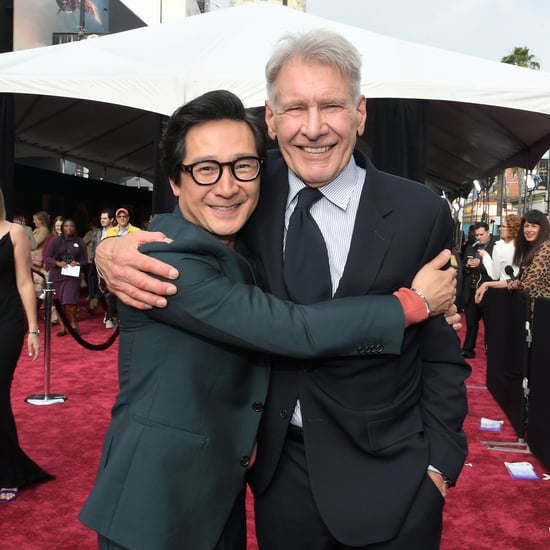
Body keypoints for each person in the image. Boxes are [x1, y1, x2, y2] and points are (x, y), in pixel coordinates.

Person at [95, 30, 469, 550]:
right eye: (294, 108)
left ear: (360, 113)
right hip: (275, 480)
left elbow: (442, 358)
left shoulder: (419, 212)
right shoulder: (244, 191)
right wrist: (107, 249)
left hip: (395, 477)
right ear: (270, 120)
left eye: (332, 106)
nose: (313, 129)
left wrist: (440, 468)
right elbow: (177, 229)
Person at [0, 189, 54, 503]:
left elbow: (24, 281)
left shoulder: (15, 232)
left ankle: (9, 472)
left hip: (6, 321)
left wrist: (34, 328)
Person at [475, 210, 550, 321]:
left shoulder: (546, 248)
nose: (529, 230)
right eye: (526, 226)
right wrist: (486, 284)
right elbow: (517, 280)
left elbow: (526, 284)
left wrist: (486, 257)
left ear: (542, 228)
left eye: (534, 226)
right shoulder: (530, 248)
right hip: (529, 311)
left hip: (541, 313)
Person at [43, 218, 88, 336]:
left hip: (72, 274)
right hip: (57, 274)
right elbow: (47, 257)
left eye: (71, 226)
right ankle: (62, 327)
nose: (69, 228)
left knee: (70, 300)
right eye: (67, 226)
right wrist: (57, 263)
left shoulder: (80, 241)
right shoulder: (55, 241)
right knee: (59, 302)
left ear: (75, 228)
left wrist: (77, 263)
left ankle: (73, 324)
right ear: (62, 228)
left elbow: (85, 260)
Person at [461, 221, 495, 358]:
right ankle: (468, 349)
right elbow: (462, 265)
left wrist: (480, 265)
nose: (479, 237)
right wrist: (468, 265)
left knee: (490, 324)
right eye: (477, 235)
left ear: (488, 232)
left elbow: (495, 272)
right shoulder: (471, 247)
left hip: (488, 291)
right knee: (470, 323)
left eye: (481, 234)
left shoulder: (495, 248)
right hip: (471, 289)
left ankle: (490, 349)